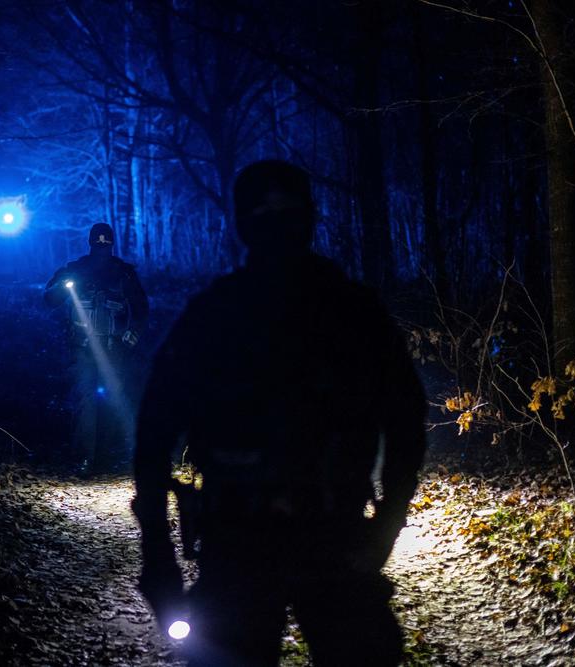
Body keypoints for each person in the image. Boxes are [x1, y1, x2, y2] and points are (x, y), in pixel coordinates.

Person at [132, 160, 427, 666]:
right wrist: (158, 549)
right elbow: (155, 430)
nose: (277, 224)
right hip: (241, 536)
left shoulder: (350, 312)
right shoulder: (218, 315)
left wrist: (387, 524)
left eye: (286, 211)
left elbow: (405, 421)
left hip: (327, 534)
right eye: (265, 212)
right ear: (245, 222)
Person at [44, 222, 149, 473]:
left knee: (113, 400)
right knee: (84, 400)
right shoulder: (75, 269)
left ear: (111, 244)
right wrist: (63, 285)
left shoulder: (124, 273)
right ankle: (84, 458)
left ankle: (104, 457)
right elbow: (49, 299)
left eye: (105, 243)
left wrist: (131, 336)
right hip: (82, 348)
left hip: (115, 348)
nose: (102, 246)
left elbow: (142, 308)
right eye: (98, 242)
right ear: (91, 243)